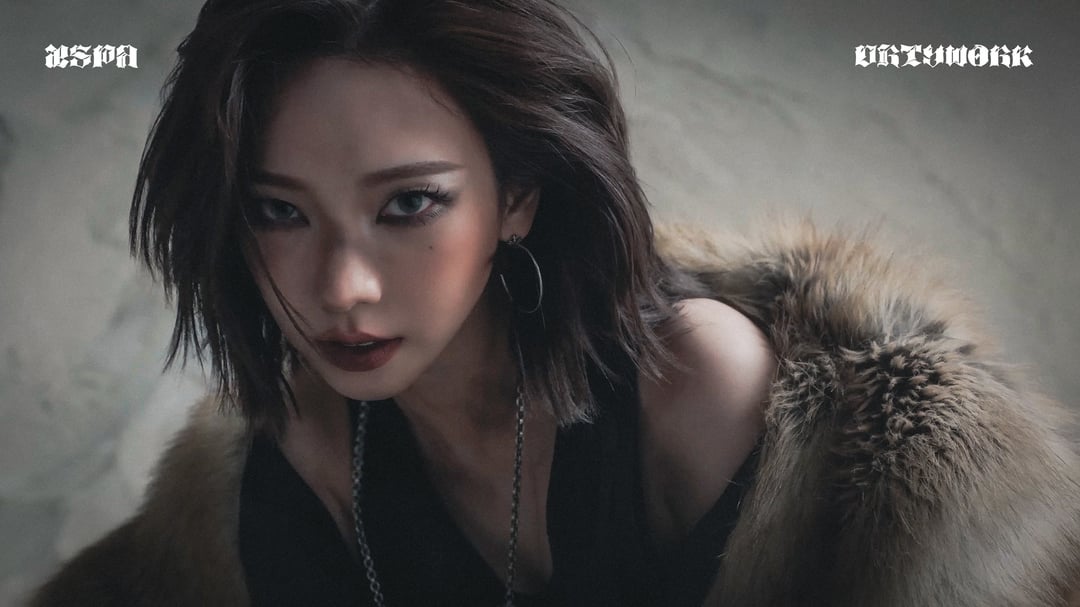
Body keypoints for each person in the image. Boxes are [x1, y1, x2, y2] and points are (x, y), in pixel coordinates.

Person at [29, 0, 1080, 606]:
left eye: (409, 204)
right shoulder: (284, 458)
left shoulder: (699, 388)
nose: (342, 286)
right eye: (279, 211)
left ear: (518, 197)